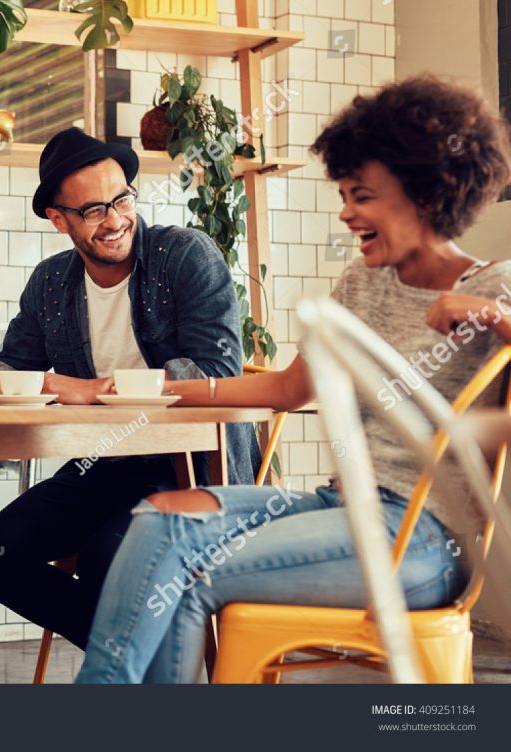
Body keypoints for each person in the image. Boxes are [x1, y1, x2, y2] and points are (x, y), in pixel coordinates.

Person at [75, 75, 511, 683]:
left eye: (363, 196)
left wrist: (493, 315)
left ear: (423, 194)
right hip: (340, 506)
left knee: (180, 564)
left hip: (424, 541)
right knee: (160, 519)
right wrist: (134, 388)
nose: (346, 212)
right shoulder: (361, 285)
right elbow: (284, 389)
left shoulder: (495, 285)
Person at [0, 127, 261, 650]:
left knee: (110, 559)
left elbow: (219, 373)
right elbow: (14, 360)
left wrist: (94, 390)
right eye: (94, 210)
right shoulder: (51, 282)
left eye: (122, 198)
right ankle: (134, 658)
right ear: (60, 219)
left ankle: (136, 671)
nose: (116, 220)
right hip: (99, 466)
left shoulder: (185, 256)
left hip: (189, 468)